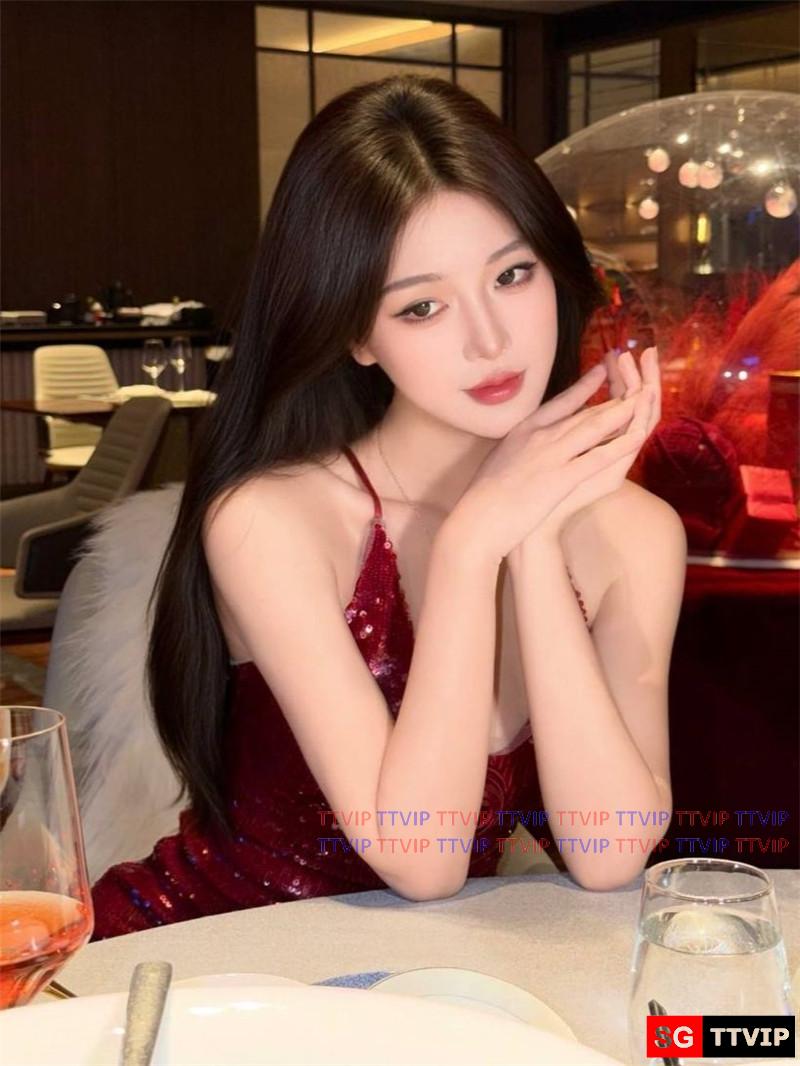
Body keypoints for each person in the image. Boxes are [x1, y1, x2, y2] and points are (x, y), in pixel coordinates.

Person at [90, 74, 686, 939]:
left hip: (409, 980)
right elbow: (424, 858)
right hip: (207, 958)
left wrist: (534, 539)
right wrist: (473, 544)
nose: (490, 339)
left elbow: (609, 852)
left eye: (512, 274)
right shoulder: (272, 518)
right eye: (423, 306)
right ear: (356, 334)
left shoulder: (636, 532)